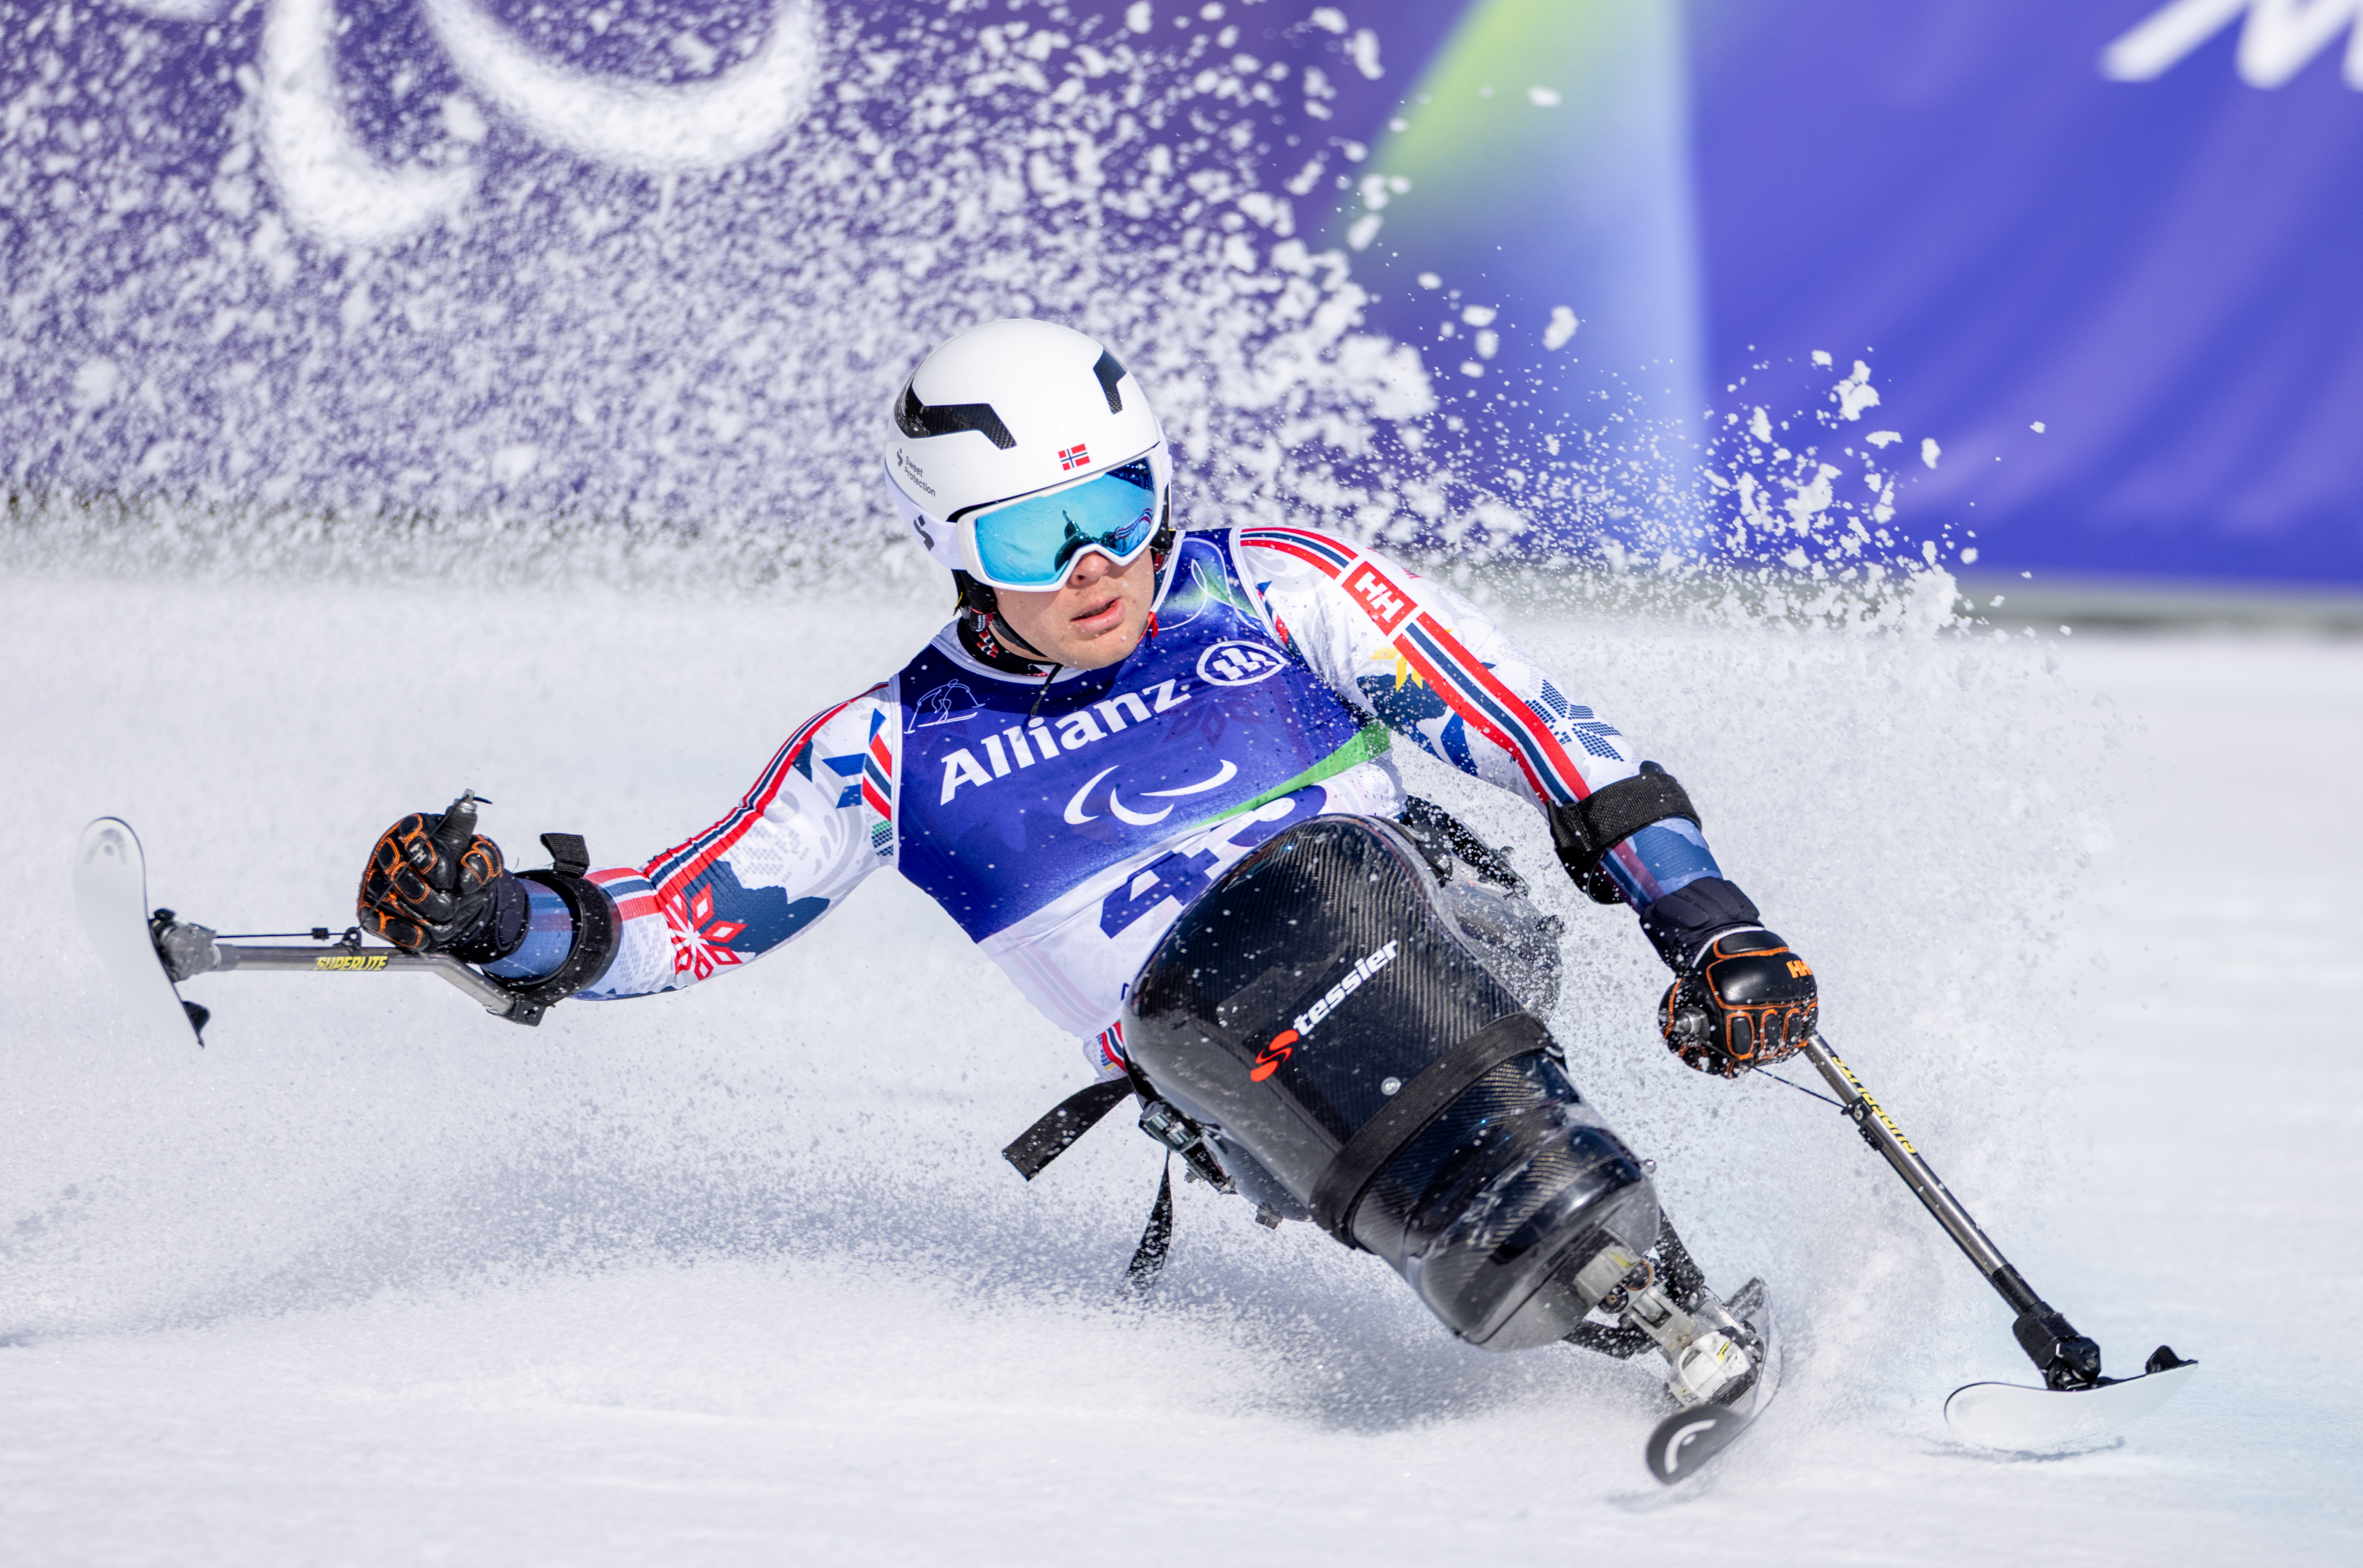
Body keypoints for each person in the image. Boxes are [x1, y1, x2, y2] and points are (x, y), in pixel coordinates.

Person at [354, 318, 1820, 1408]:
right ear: (949, 543)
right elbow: (673, 921)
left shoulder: (1279, 590)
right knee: (1215, 997)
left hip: (1434, 930)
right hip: (1244, 1083)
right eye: (1034, 534)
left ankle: (1639, 1277)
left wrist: (1708, 927)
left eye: (1118, 507)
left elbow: (1553, 740)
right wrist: (497, 918)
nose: (1091, 566)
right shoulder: (890, 749)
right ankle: (1609, 1312)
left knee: (1304, 910)